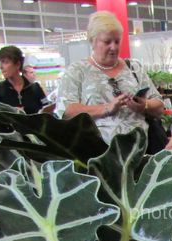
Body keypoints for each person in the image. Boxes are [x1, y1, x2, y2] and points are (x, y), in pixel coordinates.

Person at [58, 11, 165, 143]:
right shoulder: (77, 71)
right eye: (107, 42)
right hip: (96, 153)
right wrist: (107, 108)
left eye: (117, 41)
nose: (113, 47)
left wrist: (144, 105)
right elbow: (66, 112)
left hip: (141, 149)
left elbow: (159, 106)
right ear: (93, 41)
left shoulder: (134, 67)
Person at [0, 46, 50, 114]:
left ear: (18, 64)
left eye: (5, 62)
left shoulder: (35, 88)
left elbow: (46, 109)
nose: (1, 66)